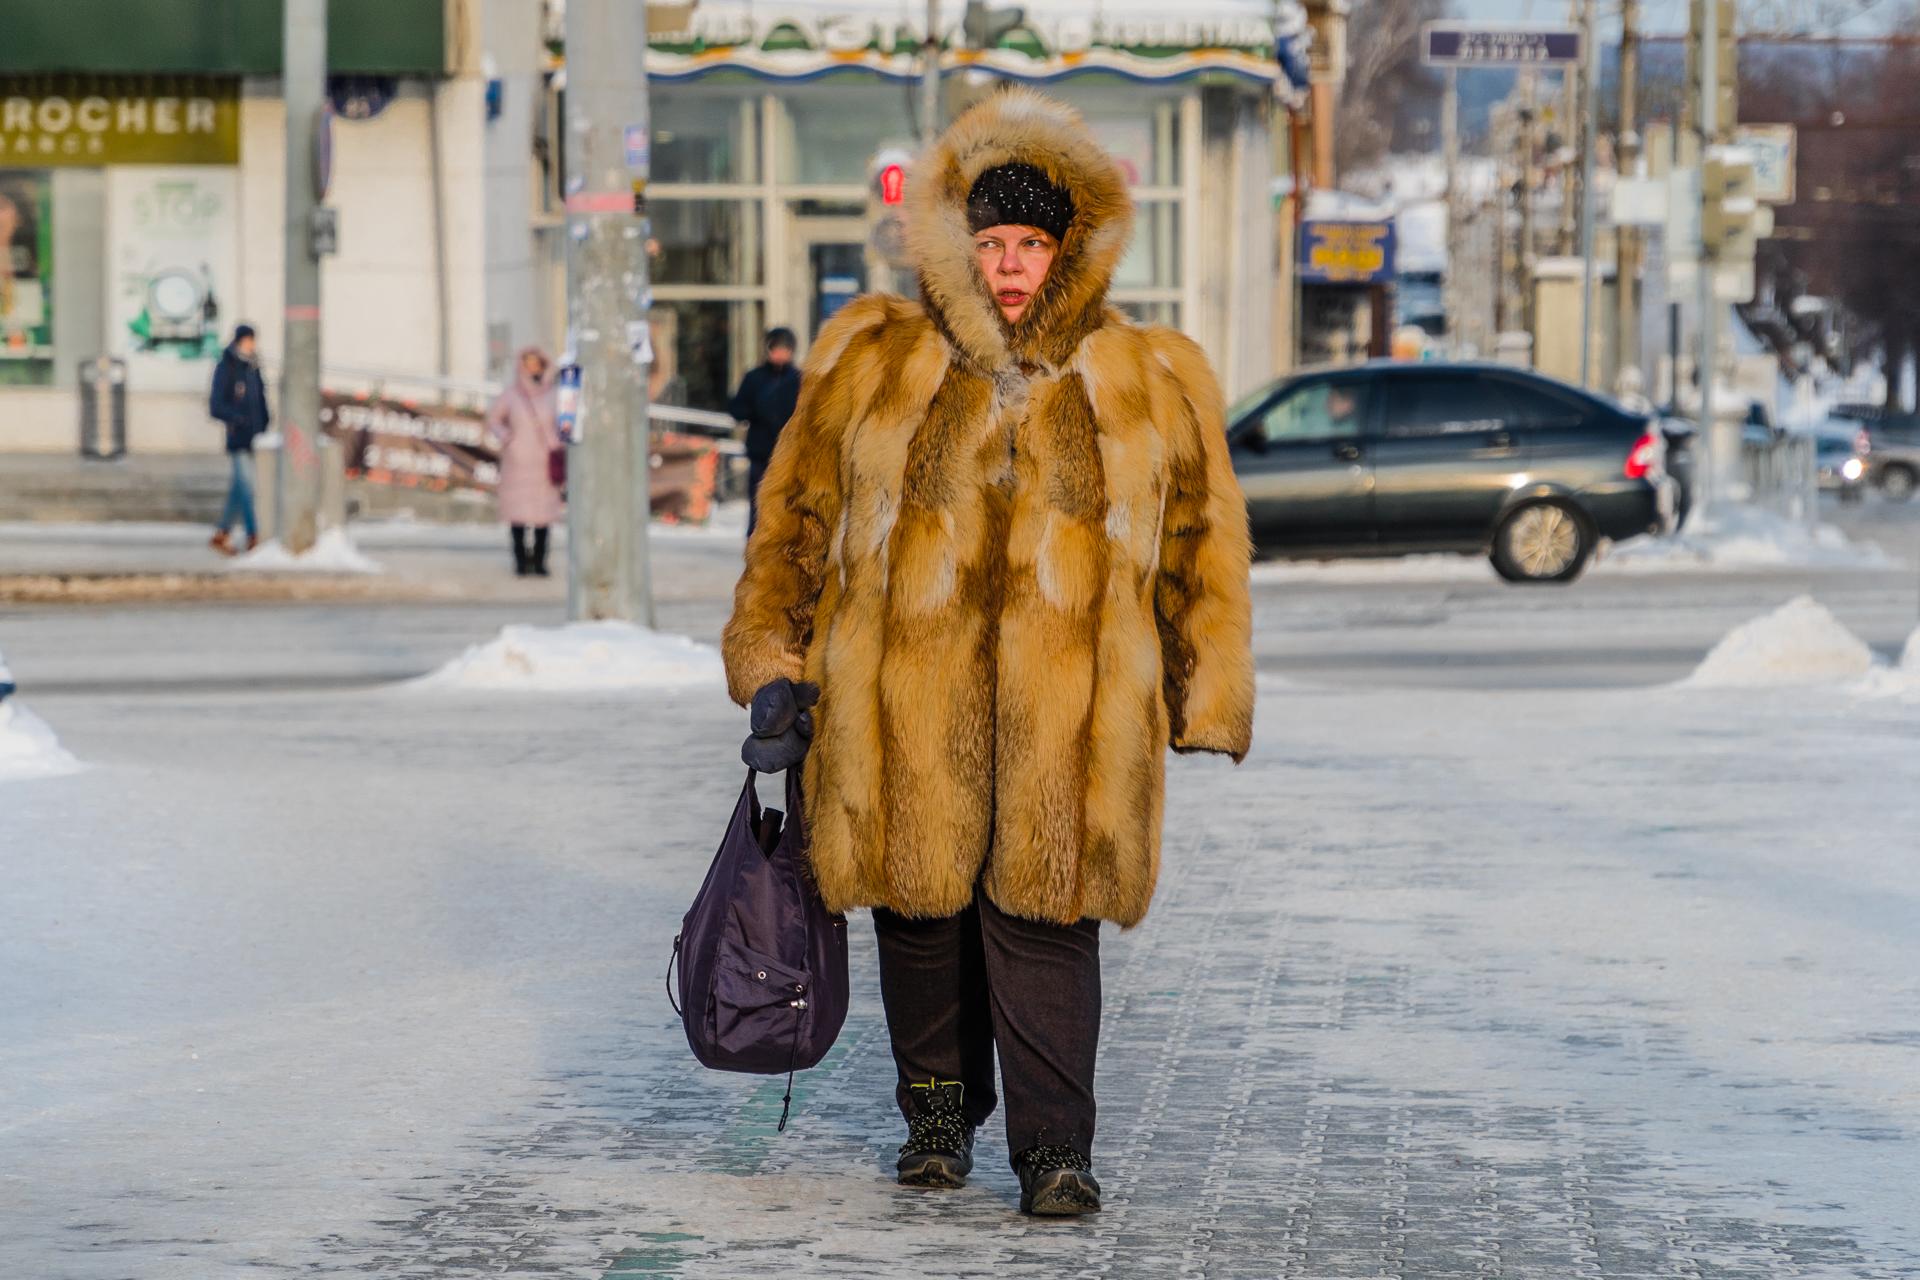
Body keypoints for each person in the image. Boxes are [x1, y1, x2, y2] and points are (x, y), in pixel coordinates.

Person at [722, 89, 1254, 1217]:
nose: (1010, 266)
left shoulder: (1145, 379)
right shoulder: (873, 365)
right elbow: (796, 525)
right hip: (899, 707)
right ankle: (937, 1116)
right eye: (993, 243)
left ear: (1071, 251)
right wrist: (774, 657)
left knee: (1046, 922)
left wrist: (1203, 684)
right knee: (920, 920)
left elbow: (1198, 545)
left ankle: (1055, 1149)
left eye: (1032, 244)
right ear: (956, 245)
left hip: (1070, 717)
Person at [486, 346, 564, 577]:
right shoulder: (511, 394)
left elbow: (565, 422)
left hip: (545, 462)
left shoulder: (555, 394)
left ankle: (540, 561)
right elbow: (494, 419)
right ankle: (520, 560)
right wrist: (507, 437)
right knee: (518, 515)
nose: (532, 367)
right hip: (517, 462)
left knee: (543, 516)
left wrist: (559, 441)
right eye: (527, 362)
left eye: (536, 362)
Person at [726, 327, 801, 532]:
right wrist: (756, 410)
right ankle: (755, 549)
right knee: (758, 505)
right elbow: (737, 409)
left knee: (787, 504)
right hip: (760, 452)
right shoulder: (754, 378)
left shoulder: (799, 380)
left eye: (784, 349)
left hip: (789, 454)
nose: (780, 354)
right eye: (775, 349)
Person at [207, 324, 269, 555]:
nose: (251, 345)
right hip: (238, 437)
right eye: (247, 340)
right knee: (248, 487)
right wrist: (238, 419)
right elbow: (216, 405)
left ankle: (222, 533)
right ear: (239, 341)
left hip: (255, 437)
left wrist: (264, 425)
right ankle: (254, 534)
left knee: (238, 488)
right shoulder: (227, 367)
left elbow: (260, 400)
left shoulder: (253, 367)